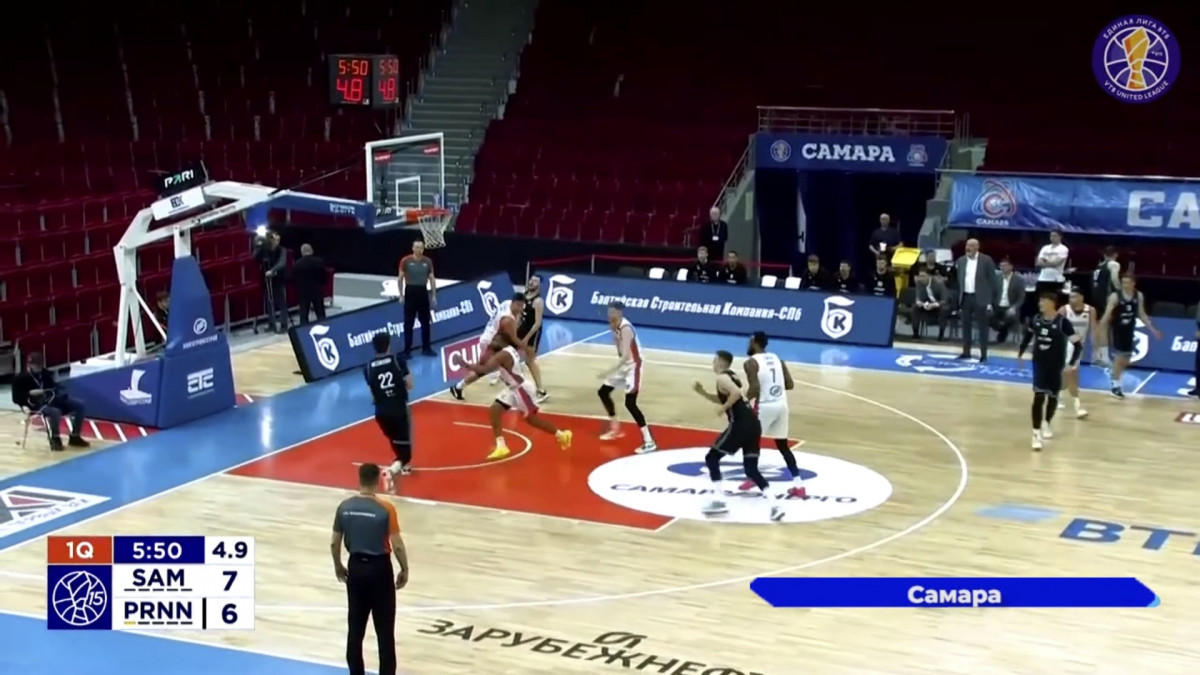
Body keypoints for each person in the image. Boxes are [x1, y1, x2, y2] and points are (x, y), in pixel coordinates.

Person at [330, 463, 408, 675]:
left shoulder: (344, 507)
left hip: (356, 568)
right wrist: (404, 569)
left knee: (355, 631)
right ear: (377, 481)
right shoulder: (386, 509)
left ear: (360, 479)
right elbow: (397, 545)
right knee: (385, 634)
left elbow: (334, 543)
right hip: (380, 570)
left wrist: (338, 565)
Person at [692, 350, 783, 521]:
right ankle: (775, 505)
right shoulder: (732, 375)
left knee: (712, 458)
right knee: (751, 469)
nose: (713, 363)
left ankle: (719, 501)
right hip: (754, 424)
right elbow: (729, 396)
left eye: (714, 360)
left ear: (720, 362)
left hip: (741, 424)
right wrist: (703, 393)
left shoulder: (721, 378)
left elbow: (733, 394)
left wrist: (723, 408)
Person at [465, 346, 572, 459]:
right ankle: (501, 446)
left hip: (522, 390)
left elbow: (484, 370)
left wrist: (465, 364)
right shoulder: (508, 349)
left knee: (532, 420)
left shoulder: (501, 356)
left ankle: (563, 435)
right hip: (513, 388)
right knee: (494, 410)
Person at [742, 332, 805, 497]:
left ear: (755, 343)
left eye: (750, 342)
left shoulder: (750, 363)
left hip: (765, 406)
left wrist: (743, 402)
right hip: (782, 405)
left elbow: (754, 388)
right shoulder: (778, 359)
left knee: (750, 442)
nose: (748, 345)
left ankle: (753, 477)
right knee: (783, 446)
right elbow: (789, 384)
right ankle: (799, 485)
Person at [1017, 293, 1082, 451]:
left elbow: (1078, 345)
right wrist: (1021, 353)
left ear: (1052, 303)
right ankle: (1035, 434)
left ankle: (1047, 422)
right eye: (1040, 301)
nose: (1040, 304)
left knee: (1052, 397)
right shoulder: (1035, 319)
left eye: (1043, 301)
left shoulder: (1063, 322)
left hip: (1056, 365)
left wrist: (1071, 364)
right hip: (1039, 363)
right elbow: (1028, 336)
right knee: (1039, 396)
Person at [598, 301, 657, 453]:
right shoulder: (615, 327)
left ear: (619, 313)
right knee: (603, 392)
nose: (609, 315)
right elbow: (620, 353)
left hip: (633, 367)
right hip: (624, 367)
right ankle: (615, 428)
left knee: (630, 403)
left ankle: (649, 441)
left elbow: (624, 356)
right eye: (608, 312)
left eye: (612, 312)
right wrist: (614, 336)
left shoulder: (626, 329)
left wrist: (608, 371)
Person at [448, 294, 525, 400]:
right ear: (513, 303)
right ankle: (516, 392)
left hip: (489, 337)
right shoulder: (507, 318)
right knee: (492, 369)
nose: (520, 309)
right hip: (490, 341)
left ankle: (458, 387)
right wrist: (523, 345)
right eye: (518, 306)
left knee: (493, 369)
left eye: (521, 306)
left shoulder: (507, 303)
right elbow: (512, 336)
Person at [1099, 274, 1161, 399]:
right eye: (1123, 282)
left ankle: (1114, 373)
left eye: (1128, 282)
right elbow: (1107, 313)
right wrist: (1100, 327)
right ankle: (1116, 386)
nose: (1125, 285)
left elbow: (1142, 314)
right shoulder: (1115, 296)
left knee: (1126, 359)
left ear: (1133, 283)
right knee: (1120, 357)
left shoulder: (1138, 295)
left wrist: (1153, 329)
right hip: (1117, 329)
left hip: (1130, 329)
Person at [365, 333, 414, 490]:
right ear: (388, 345)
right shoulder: (397, 360)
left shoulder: (367, 367)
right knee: (406, 453)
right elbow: (410, 384)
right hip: (398, 409)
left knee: (395, 441)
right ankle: (391, 471)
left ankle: (400, 467)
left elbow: (373, 393)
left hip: (381, 413)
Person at [11, 353, 90, 451]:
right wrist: (29, 393)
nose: (39, 367)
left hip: (52, 399)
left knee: (79, 405)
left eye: (40, 364)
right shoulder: (19, 378)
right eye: (36, 365)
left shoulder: (45, 373)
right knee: (55, 411)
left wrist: (54, 390)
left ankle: (75, 436)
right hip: (36, 404)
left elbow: (53, 387)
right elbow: (16, 398)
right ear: (29, 365)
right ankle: (55, 438)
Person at [955, 238, 999, 362]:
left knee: (982, 327)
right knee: (966, 326)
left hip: (981, 298)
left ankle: (983, 354)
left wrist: (990, 300)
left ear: (977, 247)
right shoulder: (961, 261)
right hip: (965, 297)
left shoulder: (986, 260)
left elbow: (993, 281)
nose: (968, 248)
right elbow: (959, 279)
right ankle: (966, 352)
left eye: (971, 245)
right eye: (967, 245)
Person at [1058, 290, 1098, 419]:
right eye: (1070, 297)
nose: (1071, 299)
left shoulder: (1090, 310)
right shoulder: (1064, 310)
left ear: (1082, 297)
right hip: (1066, 346)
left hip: (1079, 347)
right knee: (1072, 375)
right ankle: (1078, 407)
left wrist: (1096, 348)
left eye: (1074, 296)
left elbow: (1093, 330)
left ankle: (1058, 395)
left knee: (1067, 375)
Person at [399, 240, 437, 358]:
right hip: (410, 292)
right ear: (412, 248)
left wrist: (434, 295)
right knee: (408, 323)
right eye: (416, 247)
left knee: (425, 322)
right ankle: (407, 350)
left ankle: (426, 348)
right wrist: (401, 295)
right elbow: (400, 278)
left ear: (423, 249)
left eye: (421, 247)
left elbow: (432, 278)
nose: (418, 249)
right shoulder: (406, 260)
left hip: (422, 292)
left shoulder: (427, 261)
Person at [517, 275, 549, 402]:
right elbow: (520, 315)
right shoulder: (524, 295)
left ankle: (541, 390)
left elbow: (537, 323)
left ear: (539, 285)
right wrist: (515, 328)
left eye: (535, 281)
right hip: (522, 328)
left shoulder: (538, 301)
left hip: (532, 332)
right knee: (508, 350)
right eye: (531, 279)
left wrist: (527, 337)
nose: (531, 282)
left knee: (529, 361)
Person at [1090, 247, 1120, 366]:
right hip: (1105, 298)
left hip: (1094, 297)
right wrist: (1120, 291)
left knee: (1097, 326)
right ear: (1115, 255)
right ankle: (1104, 357)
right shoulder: (1113, 264)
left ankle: (1096, 355)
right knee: (1104, 327)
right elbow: (1114, 278)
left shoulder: (1099, 265)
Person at [255, 231, 289, 333]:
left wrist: (273, 270)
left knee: (282, 303)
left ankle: (284, 325)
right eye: (275, 239)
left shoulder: (282, 250)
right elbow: (255, 258)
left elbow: (282, 263)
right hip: (267, 280)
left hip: (279, 279)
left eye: (278, 240)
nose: (277, 241)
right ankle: (272, 324)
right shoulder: (264, 249)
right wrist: (258, 246)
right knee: (269, 302)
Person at [990, 258, 1026, 343]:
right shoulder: (996, 278)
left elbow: (1021, 297)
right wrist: (989, 304)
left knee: (1010, 317)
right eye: (1001, 266)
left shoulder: (1019, 280)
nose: (1002, 268)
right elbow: (990, 293)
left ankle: (1002, 332)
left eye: (1005, 266)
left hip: (1010, 307)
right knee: (986, 315)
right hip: (997, 306)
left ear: (1011, 267)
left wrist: (1014, 308)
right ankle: (1002, 330)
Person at [293, 243, 329, 324]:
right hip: (317, 290)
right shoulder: (319, 261)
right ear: (311, 251)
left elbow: (295, 278)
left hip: (304, 292)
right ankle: (325, 326)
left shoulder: (298, 264)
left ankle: (303, 329)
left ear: (302, 252)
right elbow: (324, 275)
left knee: (304, 314)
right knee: (320, 313)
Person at [911, 270, 950, 340]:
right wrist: (920, 303)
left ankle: (941, 335)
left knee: (944, 309)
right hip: (926, 304)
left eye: (923, 276)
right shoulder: (919, 283)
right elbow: (918, 297)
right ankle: (915, 333)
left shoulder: (939, 283)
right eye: (919, 276)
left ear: (929, 276)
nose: (920, 278)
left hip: (938, 305)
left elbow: (945, 299)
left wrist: (934, 305)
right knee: (915, 308)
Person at [1034, 230, 1069, 298]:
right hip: (1043, 278)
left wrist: (1045, 261)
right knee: (1041, 299)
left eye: (1055, 236)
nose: (1052, 238)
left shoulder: (1063, 249)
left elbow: (1056, 263)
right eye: (1051, 236)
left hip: (1056, 280)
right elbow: (1038, 263)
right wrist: (1051, 262)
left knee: (1054, 300)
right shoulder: (1045, 248)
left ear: (1060, 237)